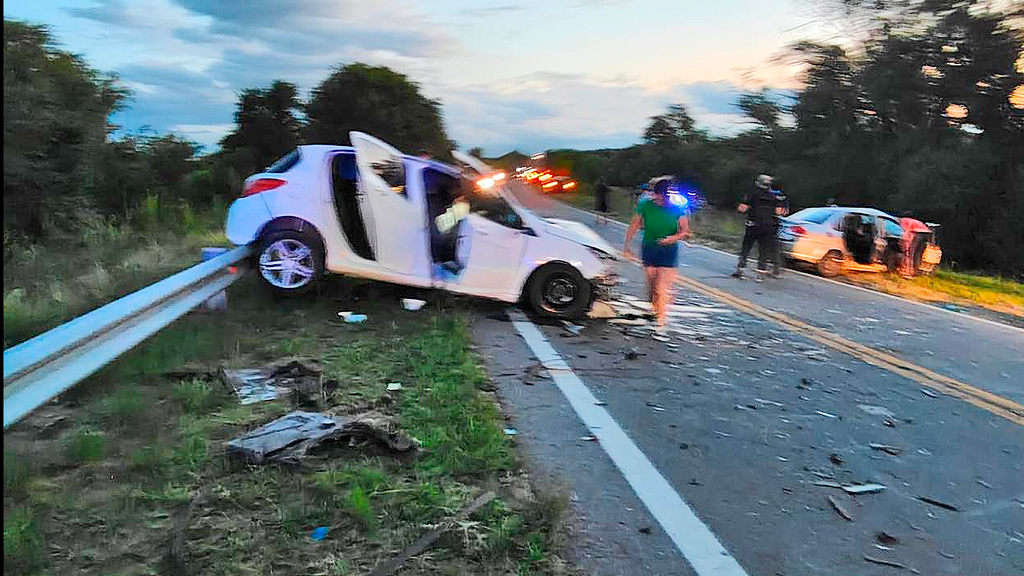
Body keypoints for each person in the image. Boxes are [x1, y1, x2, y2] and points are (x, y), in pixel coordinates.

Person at [623, 179, 691, 333]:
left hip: (668, 250)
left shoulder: (677, 208)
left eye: (665, 198)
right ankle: (656, 308)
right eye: (659, 197)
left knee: (661, 287)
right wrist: (627, 245)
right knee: (652, 285)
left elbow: (685, 231)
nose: (662, 201)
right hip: (650, 246)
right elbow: (635, 224)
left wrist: (673, 238)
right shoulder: (645, 205)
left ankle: (661, 321)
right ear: (655, 195)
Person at [732, 174, 780, 282]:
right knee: (763, 250)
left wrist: (745, 209)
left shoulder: (752, 193)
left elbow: (742, 208)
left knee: (746, 247)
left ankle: (740, 270)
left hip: (753, 224)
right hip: (768, 226)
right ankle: (760, 274)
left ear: (757, 183)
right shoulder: (773, 196)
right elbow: (778, 212)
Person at [769, 184, 789, 277]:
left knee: (774, 247)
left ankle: (776, 269)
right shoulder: (783, 198)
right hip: (775, 224)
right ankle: (775, 268)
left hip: (772, 224)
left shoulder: (776, 197)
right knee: (774, 247)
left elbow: (780, 212)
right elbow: (785, 212)